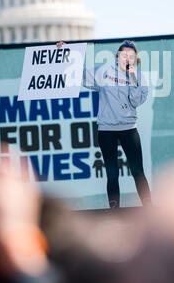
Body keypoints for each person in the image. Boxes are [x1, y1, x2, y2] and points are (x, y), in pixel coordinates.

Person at [57, 40, 151, 210]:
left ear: (135, 58)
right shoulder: (104, 71)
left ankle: (150, 209)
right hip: (106, 130)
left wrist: (133, 77)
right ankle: (114, 211)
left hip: (129, 130)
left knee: (138, 171)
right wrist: (66, 53)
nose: (127, 58)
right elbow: (78, 74)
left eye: (131, 56)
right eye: (124, 55)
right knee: (112, 173)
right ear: (117, 56)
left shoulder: (140, 77)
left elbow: (136, 101)